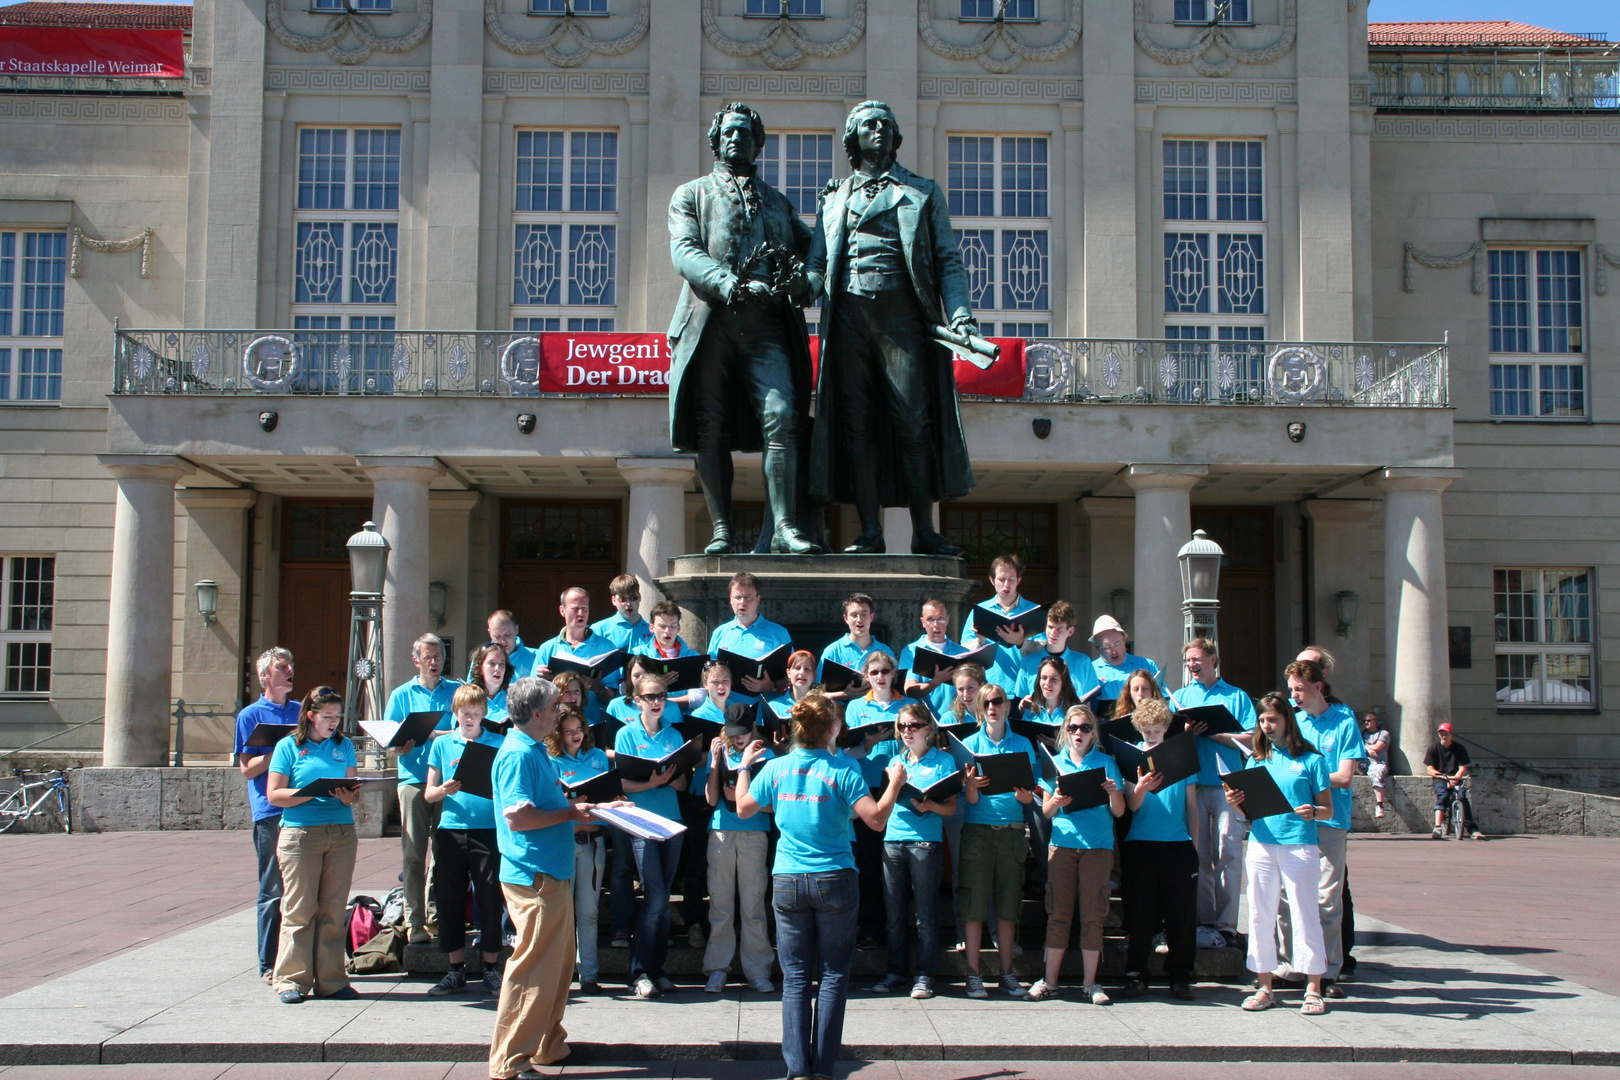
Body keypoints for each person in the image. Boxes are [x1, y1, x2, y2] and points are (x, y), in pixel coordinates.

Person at [804, 99, 979, 558]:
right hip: (848, 321)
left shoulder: (922, 191)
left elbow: (948, 262)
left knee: (912, 421)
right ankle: (868, 530)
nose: (879, 129)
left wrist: (960, 315)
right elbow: (817, 267)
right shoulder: (833, 198)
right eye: (869, 125)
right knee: (857, 426)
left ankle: (924, 529)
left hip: (902, 317)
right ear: (853, 138)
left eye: (886, 124)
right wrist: (790, 285)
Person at [667, 102, 822, 555]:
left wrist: (805, 281)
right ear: (715, 142)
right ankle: (721, 529)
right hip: (710, 320)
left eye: (745, 133)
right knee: (710, 424)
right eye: (728, 132)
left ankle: (785, 528)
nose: (736, 139)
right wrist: (728, 282)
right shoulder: (690, 194)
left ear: (758, 144)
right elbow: (685, 251)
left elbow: (816, 254)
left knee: (783, 416)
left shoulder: (778, 203)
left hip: (767, 326)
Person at [735, 695, 907, 1080]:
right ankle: (824, 1068)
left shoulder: (777, 768)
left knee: (795, 976)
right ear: (832, 728)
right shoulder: (843, 768)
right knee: (832, 975)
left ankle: (797, 1069)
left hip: (789, 879)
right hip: (835, 876)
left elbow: (743, 807)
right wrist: (894, 784)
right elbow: (876, 820)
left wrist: (745, 766)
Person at [487, 677, 596, 1078]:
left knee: (557, 966)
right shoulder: (518, 754)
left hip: (551, 872)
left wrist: (583, 806)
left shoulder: (534, 750)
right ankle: (510, 1060)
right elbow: (517, 817)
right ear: (535, 713)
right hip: (534, 875)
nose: (559, 710)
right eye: (553, 705)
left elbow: (543, 803)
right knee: (533, 967)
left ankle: (547, 1046)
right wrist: (570, 814)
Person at [1230, 693, 1334, 1016]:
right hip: (1262, 842)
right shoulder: (1255, 760)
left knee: (1305, 913)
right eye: (1262, 721)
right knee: (1261, 914)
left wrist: (1313, 811)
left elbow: (1329, 809)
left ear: (1287, 720)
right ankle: (1264, 985)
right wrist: (1237, 804)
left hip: (1299, 843)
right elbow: (1247, 811)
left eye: (1273, 720)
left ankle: (1314, 986)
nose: (1267, 726)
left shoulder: (1312, 760)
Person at [1276, 659, 1367, 998]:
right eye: (1291, 690)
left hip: (1329, 819)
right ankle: (1290, 965)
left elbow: (1344, 776)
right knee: (1287, 895)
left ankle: (1328, 970)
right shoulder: (1294, 723)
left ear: (1318, 687)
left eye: (1299, 689)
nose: (1294, 696)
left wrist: (1306, 777)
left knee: (1327, 897)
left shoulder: (1343, 721)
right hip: (1293, 821)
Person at [264, 686, 360, 1004]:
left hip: (341, 832)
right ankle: (291, 979)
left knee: (333, 909)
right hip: (301, 834)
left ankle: (332, 979)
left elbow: (351, 785)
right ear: (311, 716)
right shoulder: (288, 747)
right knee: (300, 909)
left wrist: (348, 794)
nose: (333, 722)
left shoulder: (343, 745)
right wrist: (312, 791)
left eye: (337, 716)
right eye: (327, 716)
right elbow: (275, 794)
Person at [1028, 704, 1124, 1005]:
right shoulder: (1054, 764)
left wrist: (1112, 793)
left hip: (1097, 846)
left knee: (1093, 914)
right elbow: (1045, 812)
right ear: (1064, 733)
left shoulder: (1107, 763)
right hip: (1063, 845)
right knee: (1058, 913)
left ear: (1093, 732)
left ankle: (1090, 983)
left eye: (1084, 728)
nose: (1079, 733)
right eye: (1073, 728)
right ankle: (1050, 982)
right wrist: (1055, 799)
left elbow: (1119, 812)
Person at [1171, 637, 1257, 951]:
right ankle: (1205, 922)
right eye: (1188, 661)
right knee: (1200, 855)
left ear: (1213, 660)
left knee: (1229, 853)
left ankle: (1227, 925)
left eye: (1197, 660)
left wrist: (1216, 734)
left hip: (1227, 785)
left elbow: (1251, 739)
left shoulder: (1237, 696)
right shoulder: (1180, 697)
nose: (1193, 666)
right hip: (1192, 784)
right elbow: (1166, 739)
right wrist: (1185, 732)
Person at [423, 683, 507, 996]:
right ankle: (455, 968)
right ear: (455, 714)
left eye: (476, 713)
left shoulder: (498, 743)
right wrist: (443, 789)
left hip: (488, 829)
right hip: (451, 829)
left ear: (484, 713)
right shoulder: (442, 746)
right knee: (450, 899)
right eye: (464, 713)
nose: (470, 718)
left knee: (489, 897)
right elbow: (429, 793)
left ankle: (490, 967)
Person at [869, 701, 956, 1000]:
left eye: (913, 726)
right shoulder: (895, 761)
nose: (907, 731)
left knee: (925, 913)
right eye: (903, 726)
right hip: (893, 839)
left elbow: (951, 807)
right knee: (894, 912)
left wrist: (930, 804)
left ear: (927, 730)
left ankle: (924, 974)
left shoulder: (943, 762)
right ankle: (895, 972)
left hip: (925, 842)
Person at [958, 681, 1038, 999]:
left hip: (1012, 831)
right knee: (974, 905)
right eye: (987, 702)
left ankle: (1007, 974)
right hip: (978, 832)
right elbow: (970, 801)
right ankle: (974, 975)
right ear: (980, 708)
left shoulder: (1023, 745)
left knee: (1008, 907)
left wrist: (1025, 795)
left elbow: (1030, 796)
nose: (993, 707)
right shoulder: (967, 745)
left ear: (1007, 706)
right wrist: (972, 785)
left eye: (999, 702)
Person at [615, 673, 691, 998]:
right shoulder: (626, 735)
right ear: (637, 700)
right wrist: (652, 783)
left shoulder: (674, 735)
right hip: (641, 821)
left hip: (671, 820)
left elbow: (684, 785)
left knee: (661, 901)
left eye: (661, 695)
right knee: (655, 897)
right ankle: (639, 972)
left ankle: (657, 970)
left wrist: (670, 777)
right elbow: (621, 784)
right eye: (649, 696)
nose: (656, 701)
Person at [1118, 698, 1199, 1002]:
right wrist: (1140, 789)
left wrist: (1195, 845)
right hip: (1141, 843)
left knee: (1181, 916)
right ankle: (1137, 975)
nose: (1150, 735)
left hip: (1178, 844)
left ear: (1166, 728)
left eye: (1156, 730)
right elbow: (1131, 806)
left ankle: (1180, 977)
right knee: (1140, 915)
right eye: (1146, 730)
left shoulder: (1180, 754)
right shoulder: (1131, 757)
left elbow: (1192, 806)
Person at [383, 633, 460, 944]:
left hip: (446, 780)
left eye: (438, 656)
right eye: (427, 657)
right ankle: (415, 921)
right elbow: (389, 739)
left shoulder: (455, 691)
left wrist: (431, 734)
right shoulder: (401, 695)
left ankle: (438, 914)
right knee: (415, 853)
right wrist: (398, 747)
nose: (434, 662)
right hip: (413, 779)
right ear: (416, 660)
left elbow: (463, 728)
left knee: (446, 852)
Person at [696, 712, 776, 994]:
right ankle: (718, 967)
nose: (739, 738)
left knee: (753, 903)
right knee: (720, 901)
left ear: (752, 730)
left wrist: (744, 800)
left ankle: (758, 970)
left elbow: (775, 804)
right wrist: (716, 763)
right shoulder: (722, 752)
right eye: (734, 732)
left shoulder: (767, 755)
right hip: (721, 830)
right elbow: (711, 798)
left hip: (754, 831)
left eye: (743, 732)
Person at [233, 646, 298, 982]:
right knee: (273, 889)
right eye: (282, 667)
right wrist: (280, 749)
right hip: (270, 810)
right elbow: (247, 769)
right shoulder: (251, 716)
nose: (289, 671)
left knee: (301, 889)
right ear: (265, 676)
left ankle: (298, 958)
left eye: (290, 666)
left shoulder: (303, 711)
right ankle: (268, 963)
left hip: (302, 807)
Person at [546, 706, 613, 994]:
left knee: (589, 911)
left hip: (593, 841)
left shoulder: (598, 757)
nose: (575, 735)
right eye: (568, 730)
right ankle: (560, 972)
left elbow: (609, 794)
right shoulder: (551, 760)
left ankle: (589, 974)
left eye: (579, 729)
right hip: (565, 841)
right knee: (560, 913)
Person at [533, 588, 617, 727]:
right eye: (575, 608)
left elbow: (613, 698)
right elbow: (534, 698)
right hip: (555, 728)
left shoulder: (606, 648)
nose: (581, 613)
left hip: (592, 727)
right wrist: (541, 681)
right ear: (562, 610)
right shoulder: (547, 649)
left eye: (584, 608)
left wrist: (598, 688)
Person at [707, 572, 792, 707]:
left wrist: (771, 685)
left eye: (748, 598)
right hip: (728, 714)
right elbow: (708, 674)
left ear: (758, 599)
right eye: (738, 597)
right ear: (730, 599)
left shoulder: (779, 633)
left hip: (766, 712)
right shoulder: (719, 633)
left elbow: (794, 674)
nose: (742, 603)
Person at [965, 554, 1041, 689]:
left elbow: (1045, 650)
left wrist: (1021, 642)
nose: (1006, 585)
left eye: (1011, 580)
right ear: (992, 580)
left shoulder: (1034, 611)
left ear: (1019, 580)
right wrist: (980, 641)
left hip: (1025, 689)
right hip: (987, 690)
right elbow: (963, 653)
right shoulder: (979, 611)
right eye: (1001, 579)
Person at [1015, 601, 1101, 705]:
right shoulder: (1029, 662)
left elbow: (1089, 703)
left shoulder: (1082, 662)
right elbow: (1020, 701)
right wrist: (1022, 705)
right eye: (1050, 627)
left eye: (1059, 629)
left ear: (1070, 631)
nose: (1053, 633)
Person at [818, 592, 895, 701]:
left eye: (864, 614)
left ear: (871, 617)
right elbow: (815, 695)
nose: (859, 620)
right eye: (854, 615)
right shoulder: (832, 651)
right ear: (846, 619)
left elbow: (895, 689)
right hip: (839, 714)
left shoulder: (885, 651)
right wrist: (843, 695)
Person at [900, 598, 969, 717]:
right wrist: (936, 682)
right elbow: (909, 689)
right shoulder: (911, 651)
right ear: (922, 622)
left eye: (941, 619)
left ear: (948, 620)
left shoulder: (962, 652)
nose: (936, 625)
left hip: (957, 717)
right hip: (923, 721)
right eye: (930, 620)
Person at [638, 600, 705, 711]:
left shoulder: (693, 657)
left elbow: (699, 698)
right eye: (662, 626)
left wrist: (663, 701)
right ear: (651, 628)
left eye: (672, 626)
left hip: (682, 719)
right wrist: (658, 684)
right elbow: (627, 690)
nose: (667, 631)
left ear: (678, 628)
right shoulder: (638, 655)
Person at [1426, 722, 1482, 840]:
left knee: (1462, 797)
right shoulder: (1433, 748)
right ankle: (1437, 827)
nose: (1443, 736)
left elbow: (1463, 767)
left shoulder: (1459, 749)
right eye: (1441, 734)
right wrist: (1441, 776)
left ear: (1451, 735)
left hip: (1456, 777)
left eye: (1446, 734)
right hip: (1440, 778)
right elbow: (1430, 769)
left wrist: (1455, 779)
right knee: (1443, 795)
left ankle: (1472, 829)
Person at [1090, 616, 1165, 704]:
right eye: (1107, 647)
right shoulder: (1090, 670)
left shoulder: (1147, 665)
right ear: (1097, 647)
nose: (1113, 651)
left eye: (1117, 644)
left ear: (1124, 639)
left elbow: (1162, 699)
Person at [592, 573, 654, 656]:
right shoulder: (598, 630)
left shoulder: (653, 631)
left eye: (633, 598)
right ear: (614, 600)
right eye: (623, 599)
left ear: (639, 597)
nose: (628, 603)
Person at [481, 609, 538, 682]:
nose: (502, 641)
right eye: (497, 636)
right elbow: (472, 690)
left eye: (507, 635)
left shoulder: (535, 656)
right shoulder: (482, 657)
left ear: (516, 629)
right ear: (490, 633)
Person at [468, 641, 512, 728]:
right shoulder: (468, 698)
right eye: (492, 663)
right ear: (480, 669)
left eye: (501, 664)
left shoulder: (514, 698)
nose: (497, 668)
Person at [1362, 712, 1390, 819]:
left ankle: (1379, 805)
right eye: (1364, 721)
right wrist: (1369, 750)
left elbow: (1378, 747)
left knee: (1376, 773)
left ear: (1375, 721)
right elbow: (1356, 747)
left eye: (1369, 720)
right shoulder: (1362, 734)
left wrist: (1366, 748)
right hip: (1364, 763)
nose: (1366, 723)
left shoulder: (1383, 733)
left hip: (1379, 763)